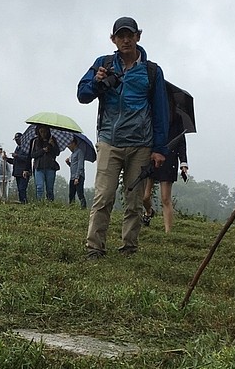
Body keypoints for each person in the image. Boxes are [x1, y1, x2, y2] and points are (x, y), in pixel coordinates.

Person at [78, 17, 170, 258]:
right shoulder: (103, 64)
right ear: (113, 40)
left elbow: (161, 111)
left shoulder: (152, 71)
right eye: (121, 36)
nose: (126, 40)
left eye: (130, 35)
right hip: (109, 140)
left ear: (138, 36)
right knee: (104, 196)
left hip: (141, 143)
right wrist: (97, 83)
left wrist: (159, 148)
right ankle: (94, 248)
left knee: (134, 201)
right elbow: (82, 95)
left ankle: (129, 247)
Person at [142, 133, 188, 232]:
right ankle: (149, 212)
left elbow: (181, 144)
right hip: (153, 159)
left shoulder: (178, 121)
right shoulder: (155, 119)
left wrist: (183, 163)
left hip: (169, 161)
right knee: (145, 196)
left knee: (165, 198)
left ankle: (168, 232)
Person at [30, 124, 59, 201]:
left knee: (50, 189)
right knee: (39, 187)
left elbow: (57, 153)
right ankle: (40, 204)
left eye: (45, 132)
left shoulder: (53, 140)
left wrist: (52, 144)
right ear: (38, 132)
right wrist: (43, 150)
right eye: (41, 132)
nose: (43, 134)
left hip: (50, 167)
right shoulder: (35, 141)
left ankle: (50, 203)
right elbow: (32, 155)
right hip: (39, 167)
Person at [9, 132, 31, 203]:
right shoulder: (17, 148)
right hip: (17, 172)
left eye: (18, 139)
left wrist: (17, 156)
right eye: (15, 139)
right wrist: (7, 159)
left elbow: (27, 158)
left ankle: (24, 202)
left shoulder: (26, 147)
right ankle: (22, 202)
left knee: (22, 188)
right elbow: (15, 161)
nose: (17, 141)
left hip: (25, 171)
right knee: (19, 189)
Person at [66, 136, 87, 208]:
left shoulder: (80, 152)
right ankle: (72, 207)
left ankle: (83, 207)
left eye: (69, 144)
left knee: (80, 193)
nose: (68, 146)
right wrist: (69, 163)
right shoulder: (72, 154)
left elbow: (80, 166)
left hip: (79, 176)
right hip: (72, 176)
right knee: (71, 194)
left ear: (74, 143)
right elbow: (73, 166)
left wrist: (77, 178)